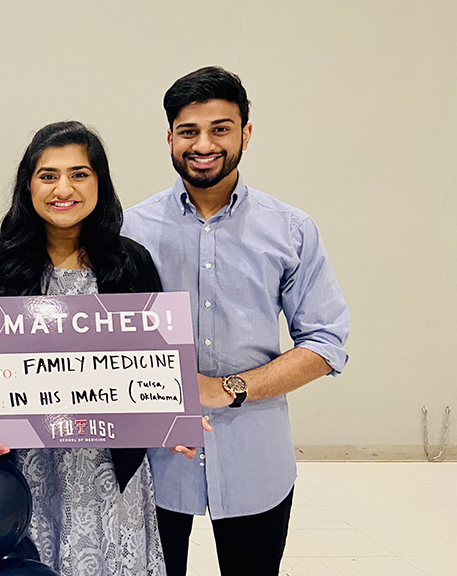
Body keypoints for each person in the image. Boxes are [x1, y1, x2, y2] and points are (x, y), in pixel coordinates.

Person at [123, 66, 350, 576]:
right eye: (189, 131)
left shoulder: (290, 229)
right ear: (170, 138)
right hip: (155, 462)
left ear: (246, 132)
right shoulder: (129, 229)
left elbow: (326, 341)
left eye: (220, 128)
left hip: (256, 459)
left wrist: (229, 388)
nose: (204, 144)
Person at [0, 121, 168, 576]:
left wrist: (173, 415)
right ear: (28, 184)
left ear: (100, 183)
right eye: (48, 175)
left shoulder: (131, 264)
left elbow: (158, 360)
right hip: (24, 463)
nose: (63, 189)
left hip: (109, 470)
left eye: (79, 174)